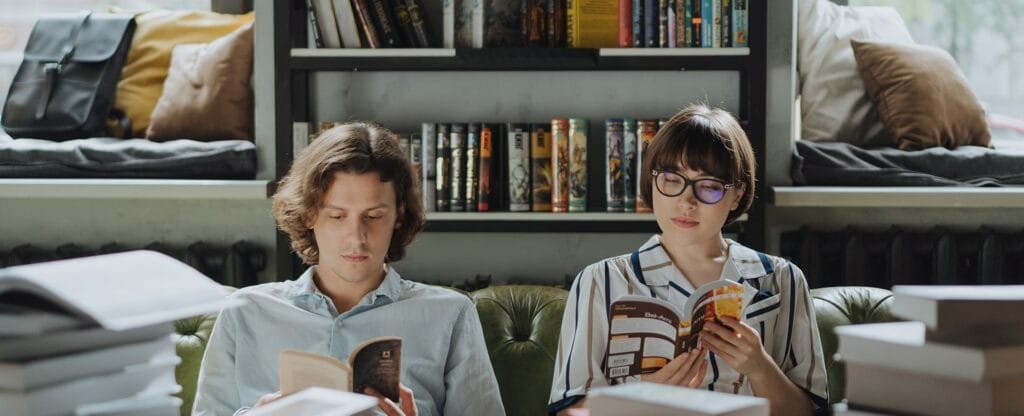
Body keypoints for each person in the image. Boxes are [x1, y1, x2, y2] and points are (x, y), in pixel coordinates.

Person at [192, 122, 505, 416]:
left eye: (374, 216)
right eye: (337, 216)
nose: (357, 237)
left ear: (399, 215)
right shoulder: (245, 311)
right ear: (309, 215)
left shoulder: (450, 314)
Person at [548, 105, 828, 416]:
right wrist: (646, 395)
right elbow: (569, 411)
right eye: (671, 179)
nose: (686, 201)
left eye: (709, 186)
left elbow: (809, 411)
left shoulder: (783, 277)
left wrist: (760, 368)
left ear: (737, 195)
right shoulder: (601, 280)